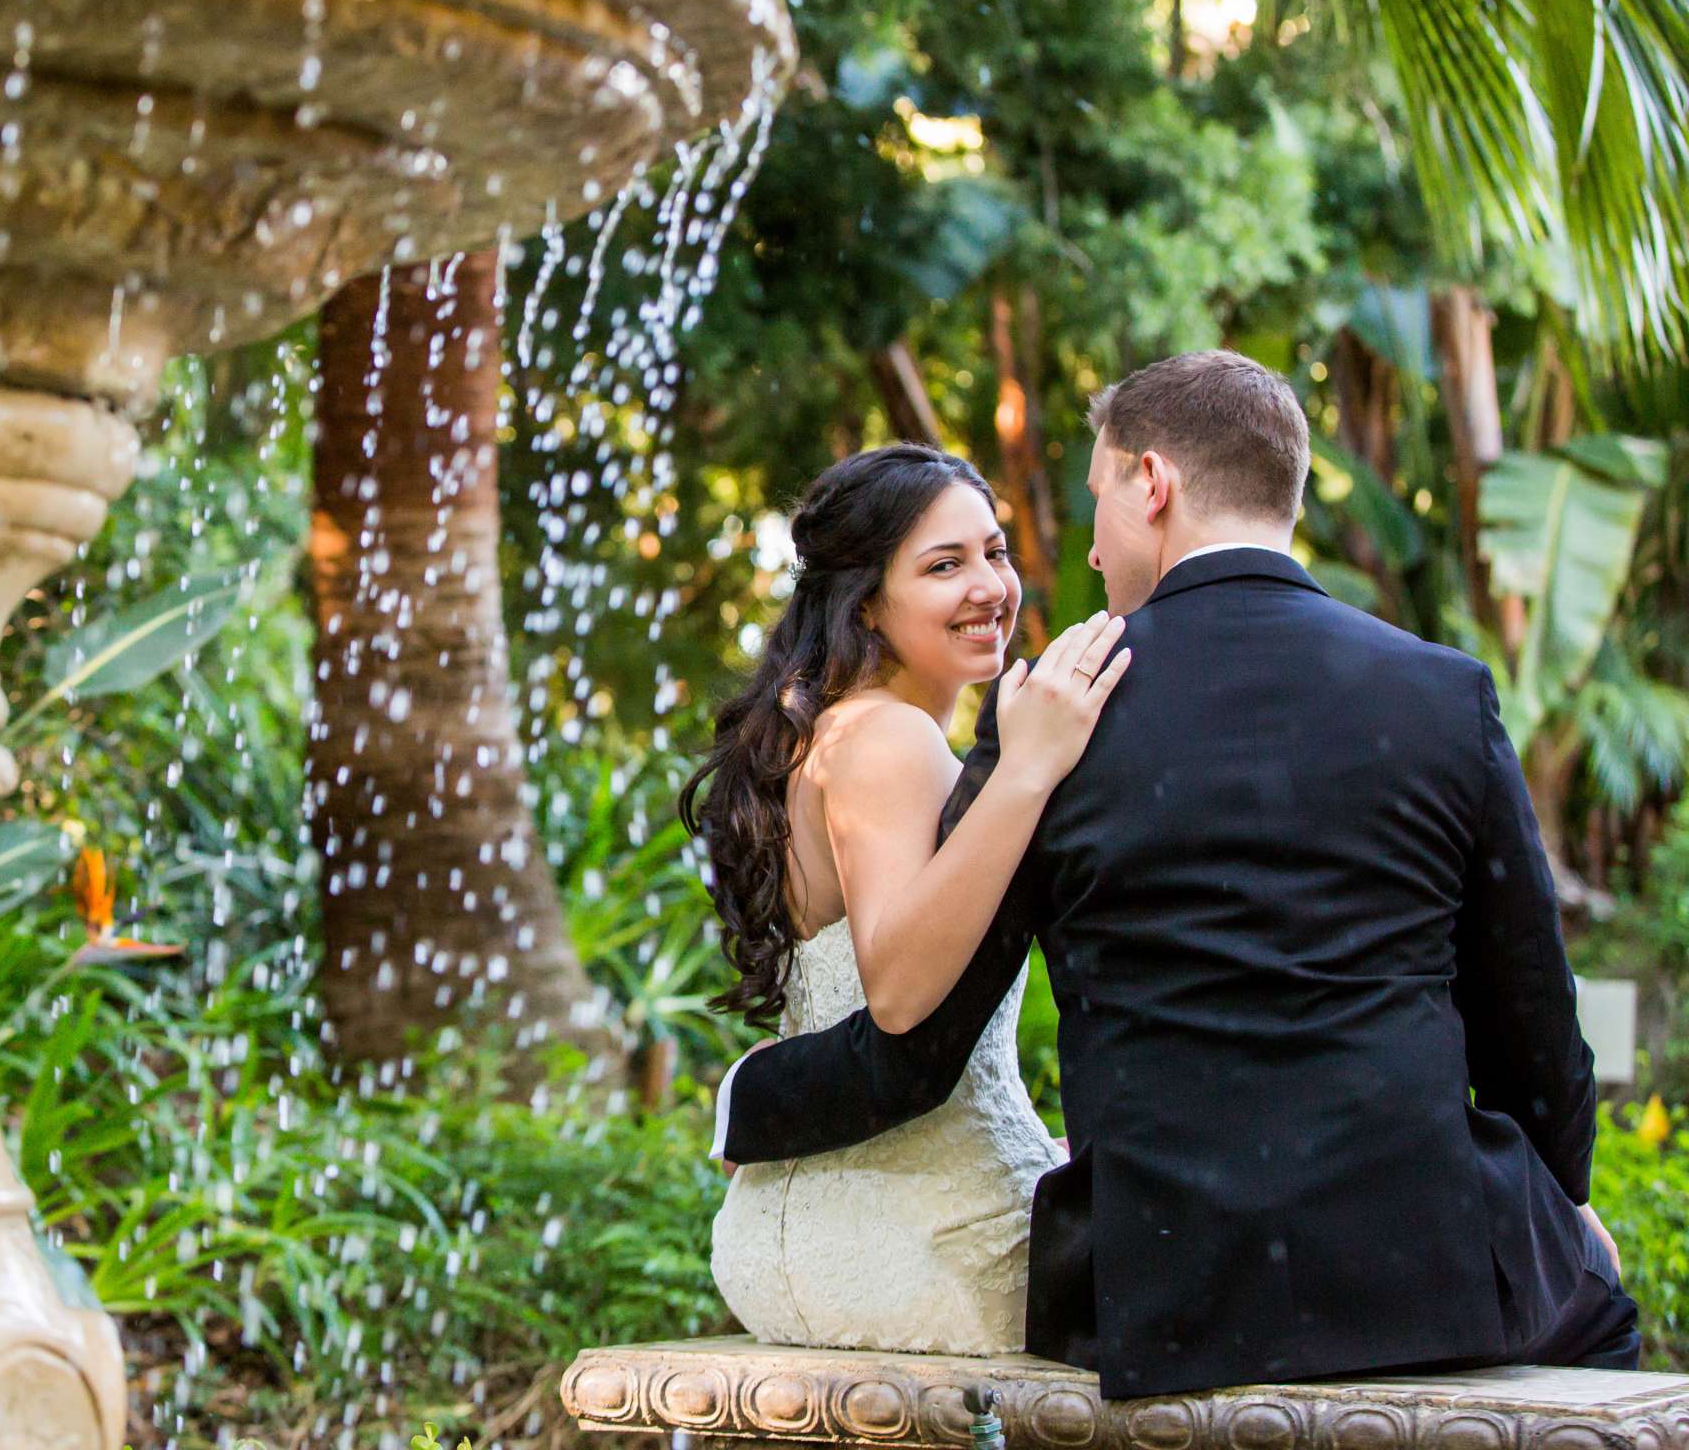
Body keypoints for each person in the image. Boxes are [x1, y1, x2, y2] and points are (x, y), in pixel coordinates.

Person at [708, 351, 1637, 1399]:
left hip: (1165, 1286)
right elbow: (1531, 1015)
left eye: (1096, 496)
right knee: (1606, 1331)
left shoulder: (1053, 716)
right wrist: (1564, 1198)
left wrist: (748, 1099)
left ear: (1152, 483)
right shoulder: (1441, 693)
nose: (1094, 550)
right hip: (1425, 1262)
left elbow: (915, 1048)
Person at [687, 444, 1127, 1354]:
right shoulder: (889, 739)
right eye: (943, 565)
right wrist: (1030, 768)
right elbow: (896, 995)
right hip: (930, 1244)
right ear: (866, 602)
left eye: (994, 552)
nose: (990, 586)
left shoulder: (827, 728)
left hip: (789, 1236)